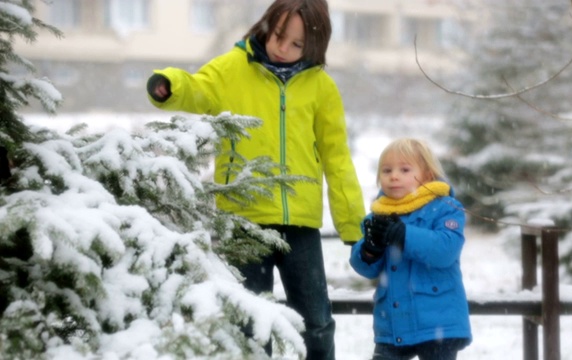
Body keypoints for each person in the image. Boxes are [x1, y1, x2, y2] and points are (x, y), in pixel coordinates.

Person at [146, 0, 365, 359]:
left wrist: (352, 224)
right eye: (280, 36)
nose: (283, 48)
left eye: (297, 44)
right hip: (242, 221)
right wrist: (170, 85)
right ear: (267, 25)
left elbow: (337, 159)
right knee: (247, 322)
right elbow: (198, 87)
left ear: (314, 47)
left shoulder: (321, 88)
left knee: (316, 321)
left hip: (300, 223)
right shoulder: (233, 68)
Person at [349, 138, 472, 360]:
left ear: (427, 175)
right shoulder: (379, 215)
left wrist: (403, 235)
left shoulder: (445, 208)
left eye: (404, 169)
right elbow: (366, 268)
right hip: (393, 324)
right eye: (386, 170)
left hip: (438, 324)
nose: (394, 176)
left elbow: (445, 250)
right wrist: (370, 250)